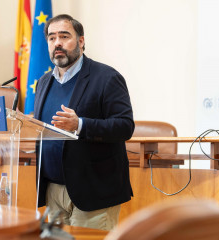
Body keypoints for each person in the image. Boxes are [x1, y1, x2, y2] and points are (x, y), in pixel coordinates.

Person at [34, 14, 135, 230]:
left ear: (81, 41)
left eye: (64, 36)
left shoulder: (106, 77)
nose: (57, 43)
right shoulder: (43, 82)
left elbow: (125, 126)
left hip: (94, 190)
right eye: (52, 38)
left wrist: (80, 124)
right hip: (53, 190)